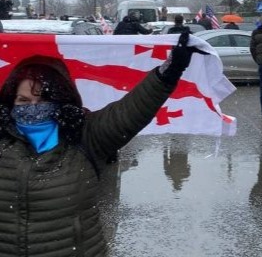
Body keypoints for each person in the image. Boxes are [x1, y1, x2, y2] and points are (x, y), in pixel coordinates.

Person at [0, 32, 194, 256]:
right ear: (11, 101)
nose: (33, 107)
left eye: (43, 99)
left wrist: (169, 71)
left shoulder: (85, 136)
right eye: (23, 100)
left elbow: (131, 110)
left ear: (60, 99)